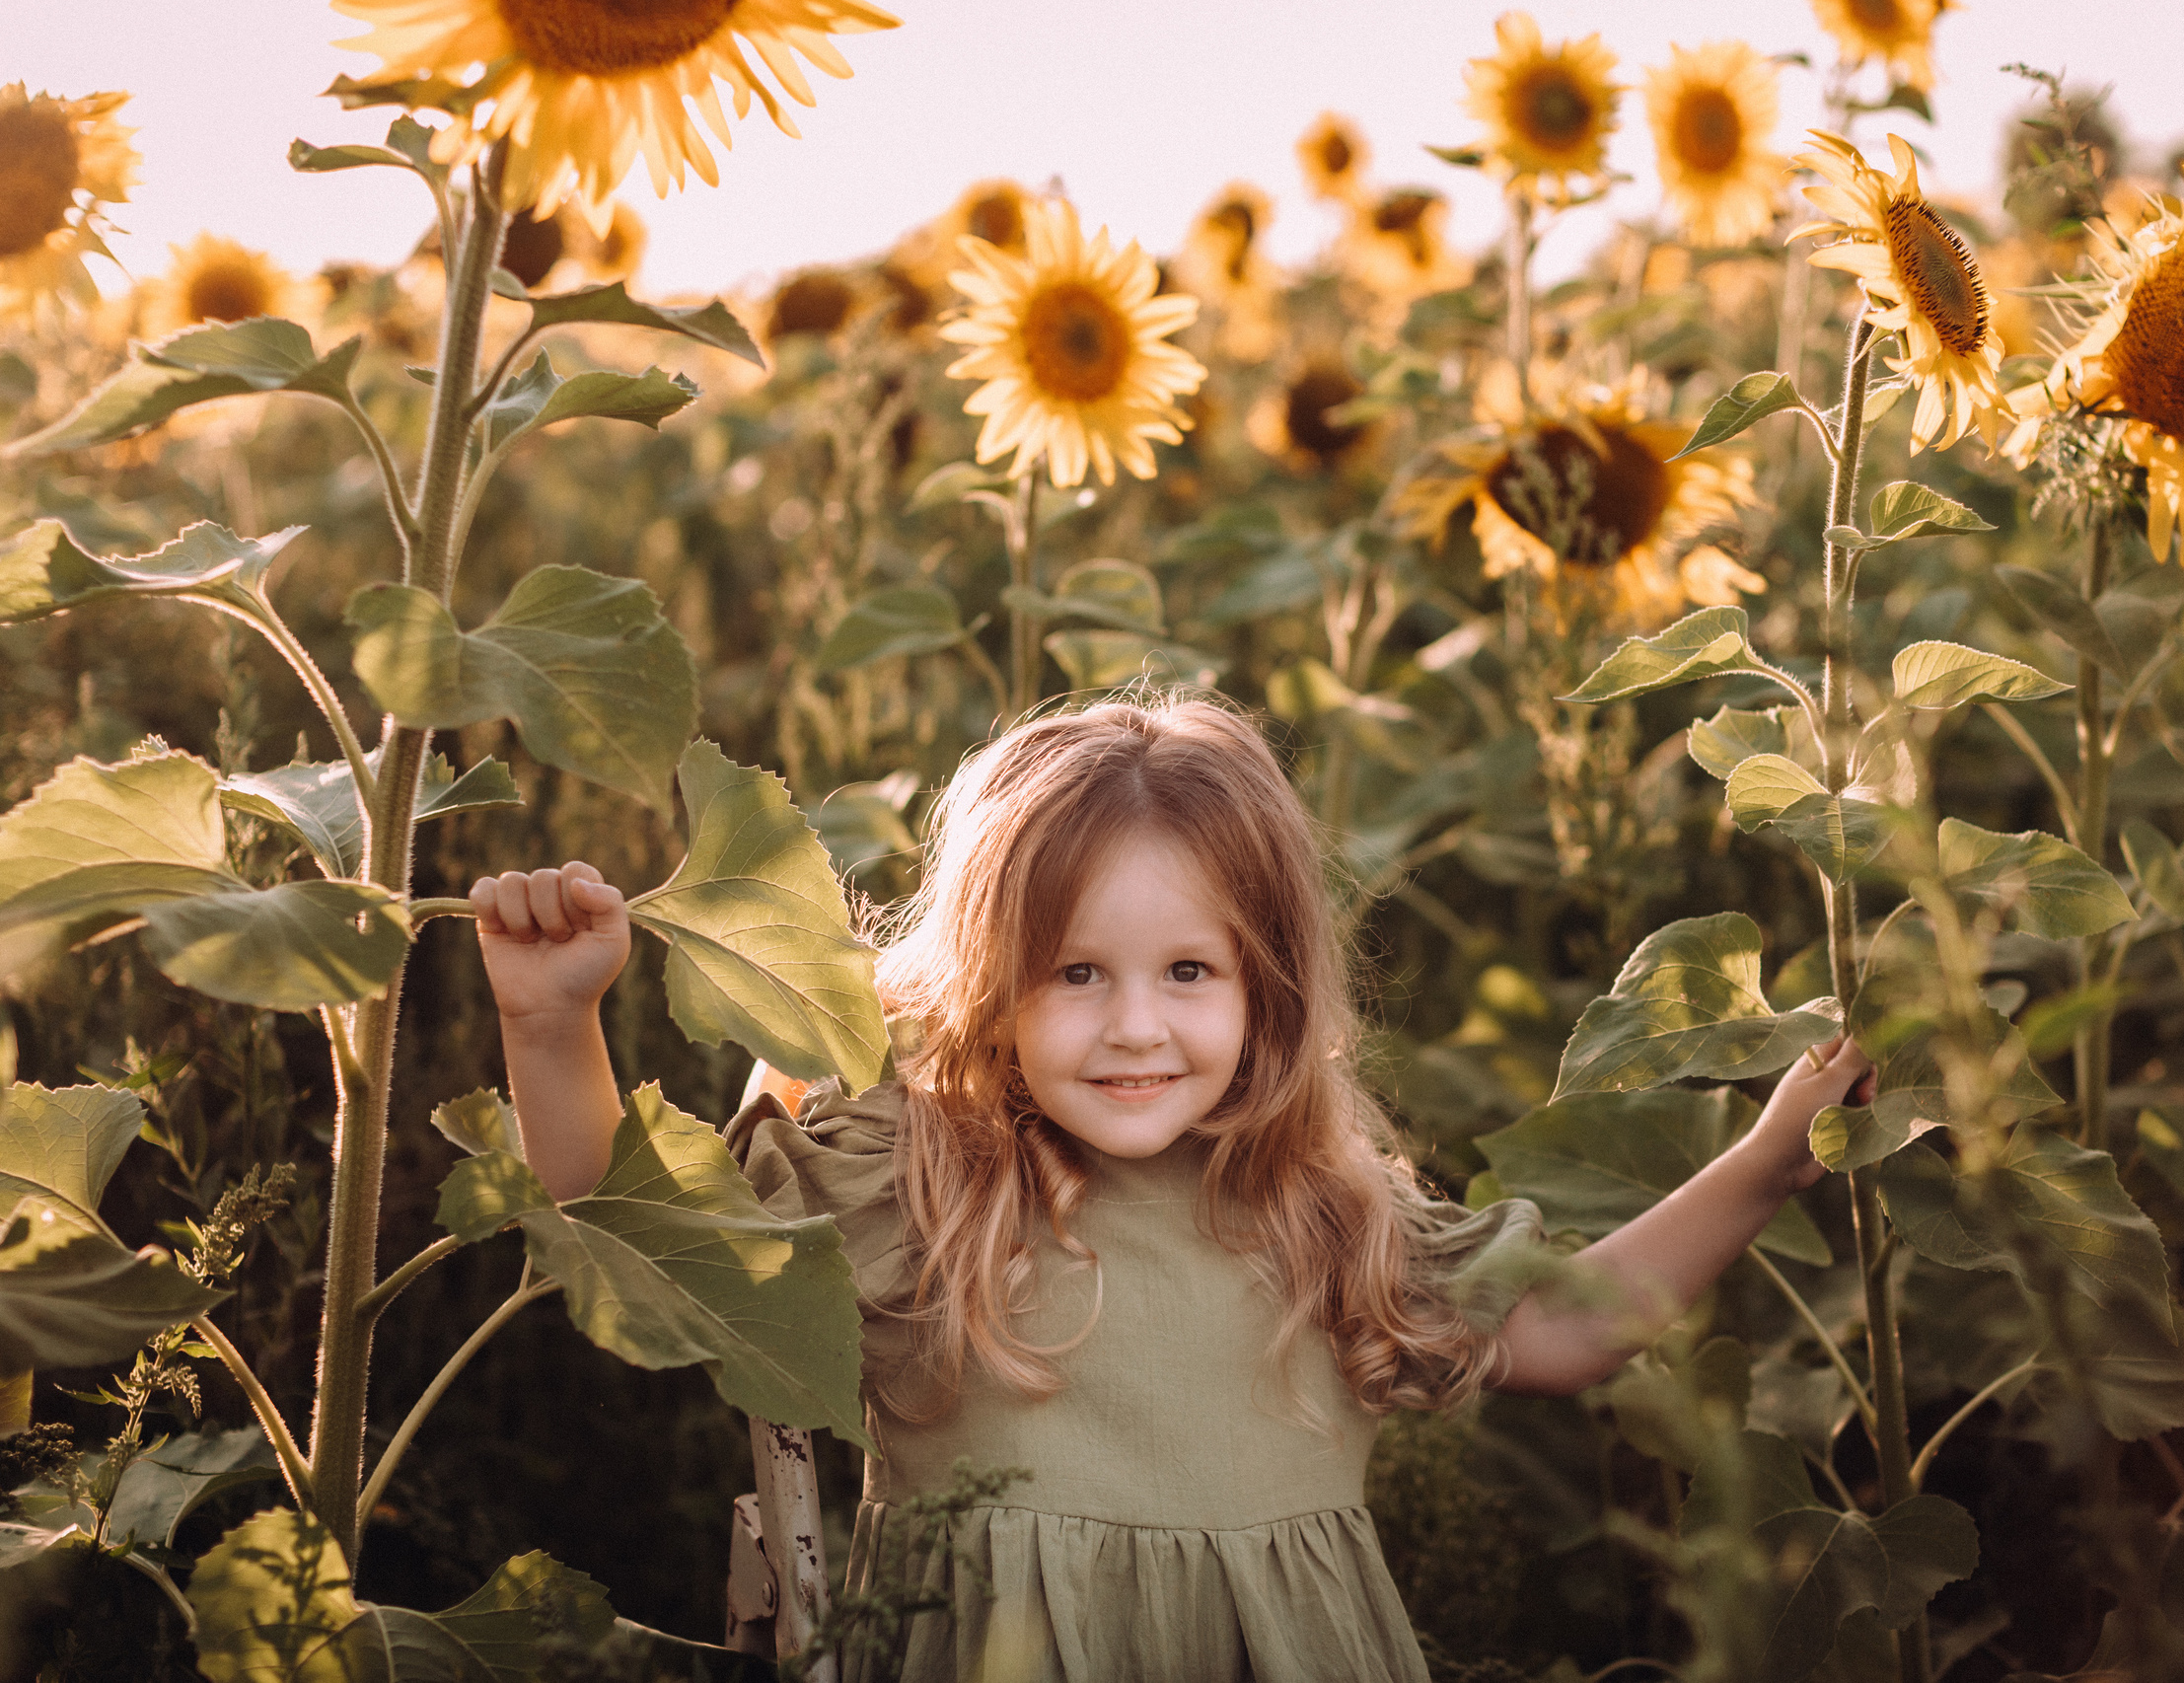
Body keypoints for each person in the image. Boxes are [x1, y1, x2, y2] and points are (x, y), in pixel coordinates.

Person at [473, 694, 1872, 1683]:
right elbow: (631, 1223)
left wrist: (1765, 1164)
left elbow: (1569, 1329)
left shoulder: (1324, 1209)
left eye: (1187, 973)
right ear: (989, 987)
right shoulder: (926, 1181)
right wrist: (553, 1024)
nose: (1136, 1026)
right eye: (1077, 973)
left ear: (1266, 986)